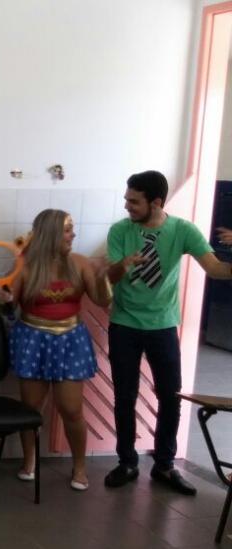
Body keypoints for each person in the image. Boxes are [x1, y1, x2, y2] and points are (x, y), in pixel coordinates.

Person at [104, 170, 232, 495]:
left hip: (162, 325)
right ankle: (127, 462)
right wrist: (124, 264)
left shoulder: (182, 230)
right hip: (124, 324)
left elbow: (215, 269)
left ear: (156, 202)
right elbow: (111, 277)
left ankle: (164, 465)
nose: (127, 206)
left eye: (134, 201)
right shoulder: (120, 230)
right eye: (127, 199)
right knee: (124, 396)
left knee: (170, 396)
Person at [0, 209, 111, 491]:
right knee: (30, 409)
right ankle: (29, 461)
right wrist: (6, 301)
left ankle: (80, 467)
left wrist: (106, 277)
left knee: (72, 410)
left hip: (70, 339)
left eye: (72, 229)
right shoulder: (24, 266)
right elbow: (8, 311)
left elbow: (101, 300)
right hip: (32, 338)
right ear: (50, 234)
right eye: (67, 230)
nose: (73, 235)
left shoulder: (80, 263)